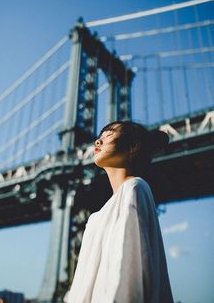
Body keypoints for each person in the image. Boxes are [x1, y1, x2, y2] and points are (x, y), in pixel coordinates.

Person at [66, 121, 174, 303]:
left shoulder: (134, 189)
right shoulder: (97, 217)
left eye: (108, 135)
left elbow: (125, 276)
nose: (98, 142)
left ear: (133, 147)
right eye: (98, 137)